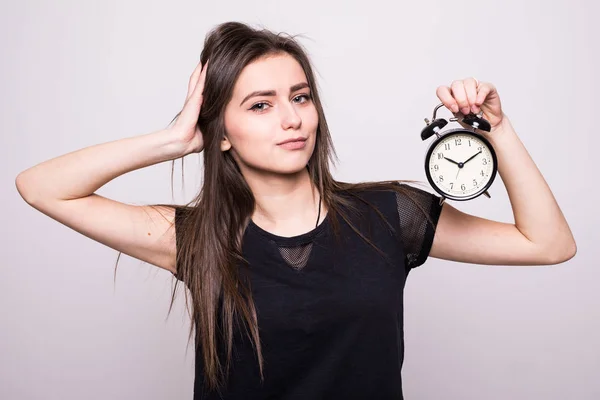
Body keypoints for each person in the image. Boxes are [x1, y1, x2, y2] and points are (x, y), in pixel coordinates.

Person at [15, 21, 576, 400]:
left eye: (300, 96)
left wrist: (497, 130)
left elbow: (549, 244)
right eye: (260, 105)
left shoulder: (388, 216)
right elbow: (41, 186)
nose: (292, 118)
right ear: (223, 132)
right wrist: (174, 139)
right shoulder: (193, 237)